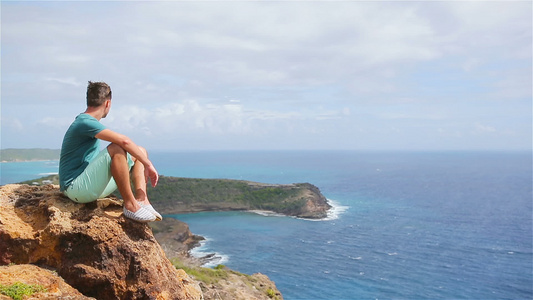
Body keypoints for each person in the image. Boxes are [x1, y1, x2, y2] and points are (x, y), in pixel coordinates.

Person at [59, 81, 162, 223]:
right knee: (117, 148)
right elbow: (124, 141)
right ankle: (130, 206)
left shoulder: (88, 122)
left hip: (89, 187)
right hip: (75, 188)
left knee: (140, 151)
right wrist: (149, 164)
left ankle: (142, 200)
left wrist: (143, 159)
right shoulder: (84, 122)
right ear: (108, 104)